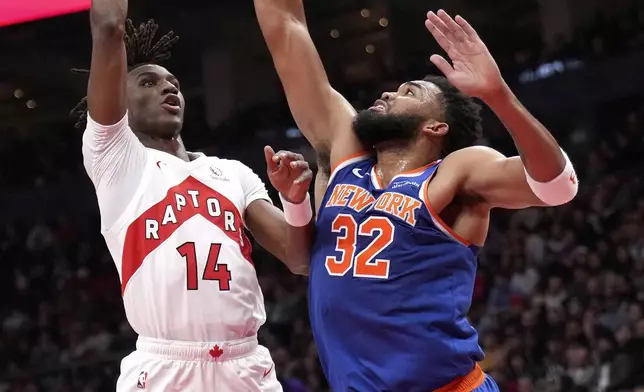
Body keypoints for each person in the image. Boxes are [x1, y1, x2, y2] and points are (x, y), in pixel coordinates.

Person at [255, 2, 579, 391]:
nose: (389, 92)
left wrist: (498, 95)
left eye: (408, 92)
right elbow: (287, 29)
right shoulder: (347, 157)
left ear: (436, 126)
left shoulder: (455, 171)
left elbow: (559, 186)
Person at [72, 1, 315, 390]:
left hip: (245, 364)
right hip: (165, 367)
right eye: (148, 82)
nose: (169, 86)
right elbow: (109, 27)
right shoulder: (115, 161)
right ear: (122, 101)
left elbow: (300, 258)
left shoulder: (233, 173)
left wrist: (295, 200)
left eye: (174, 83)